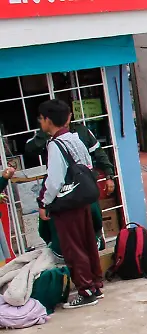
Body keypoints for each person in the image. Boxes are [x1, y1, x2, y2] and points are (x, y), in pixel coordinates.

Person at [35, 99, 102, 309]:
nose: (40, 122)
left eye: (41, 118)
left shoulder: (55, 145)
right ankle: (95, 283)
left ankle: (86, 290)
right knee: (88, 241)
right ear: (68, 118)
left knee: (73, 247)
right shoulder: (75, 139)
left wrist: (43, 203)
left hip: (67, 203)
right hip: (83, 198)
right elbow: (88, 165)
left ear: (47, 120)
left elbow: (54, 180)